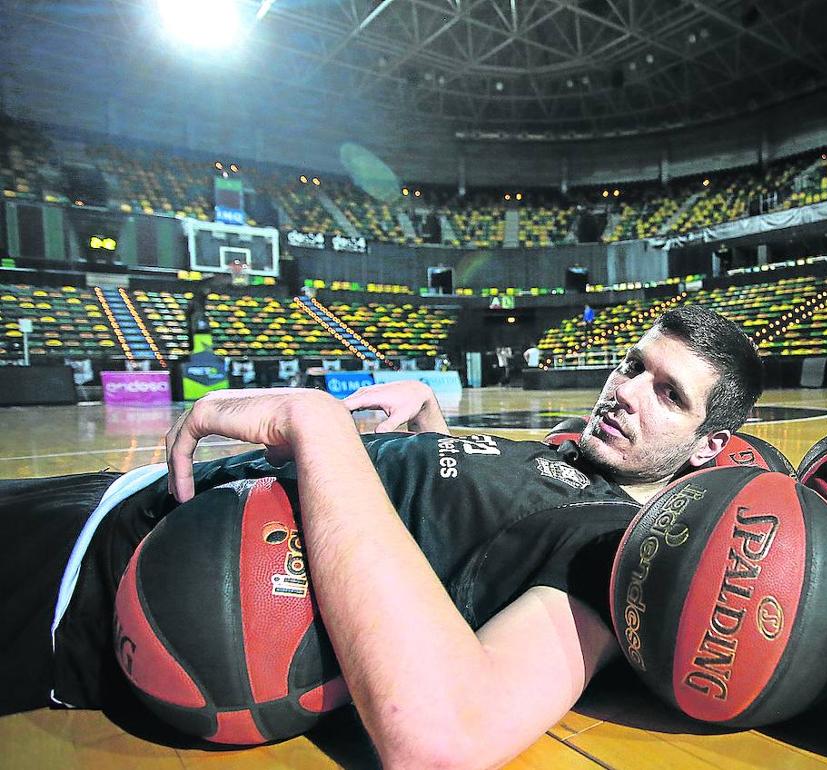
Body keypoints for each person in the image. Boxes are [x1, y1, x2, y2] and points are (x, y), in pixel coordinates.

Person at [0, 305, 763, 769]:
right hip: (115, 497)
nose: (626, 393)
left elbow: (445, 739)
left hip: (98, 585)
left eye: (667, 395)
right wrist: (430, 424)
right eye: (633, 366)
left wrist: (317, 424)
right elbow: (462, 528)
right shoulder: (575, 461)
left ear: (706, 448)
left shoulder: (610, 549)